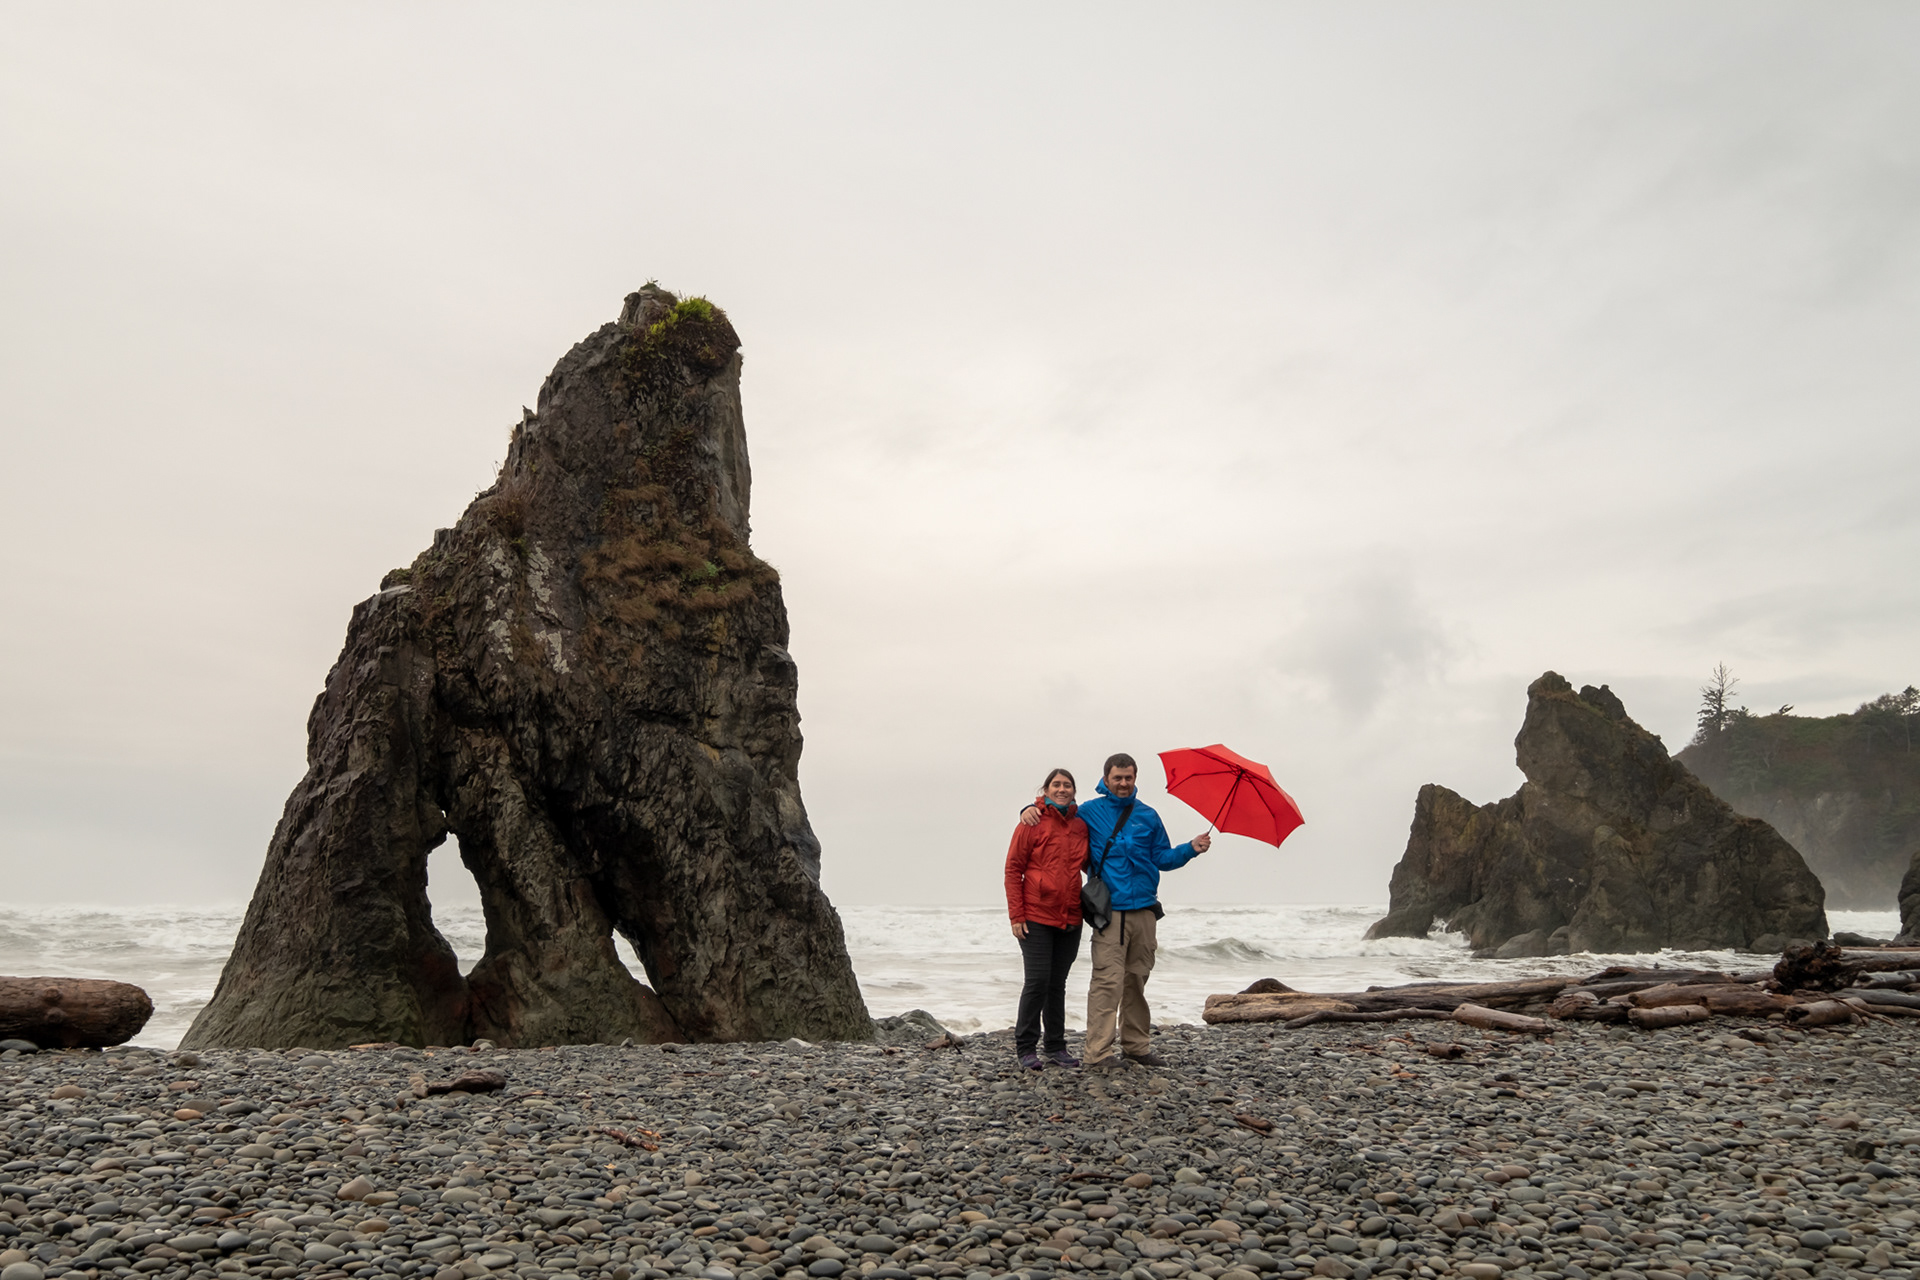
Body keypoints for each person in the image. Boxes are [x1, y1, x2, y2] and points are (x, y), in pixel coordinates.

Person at [1019, 753, 1209, 1068]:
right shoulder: (1089, 811)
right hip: (1110, 912)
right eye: (1117, 778)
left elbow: (1162, 857)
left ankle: (1136, 1046)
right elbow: (1057, 810)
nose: (1123, 783)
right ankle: (1099, 1053)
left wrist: (1190, 849)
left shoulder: (1148, 815)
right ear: (1106, 779)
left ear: (1135, 779)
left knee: (1136, 980)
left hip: (1145, 910)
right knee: (1107, 982)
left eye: (1128, 778)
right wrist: (1028, 808)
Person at [1003, 767, 1090, 1070]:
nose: (1062, 789)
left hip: (1071, 916)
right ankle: (1026, 1047)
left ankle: (1055, 1046)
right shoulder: (1031, 822)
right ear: (1046, 789)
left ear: (1074, 791)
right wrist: (1016, 915)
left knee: (1057, 984)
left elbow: (1092, 862)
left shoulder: (1081, 825)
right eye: (1057, 784)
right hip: (1036, 915)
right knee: (1037, 981)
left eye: (1068, 785)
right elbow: (1013, 870)